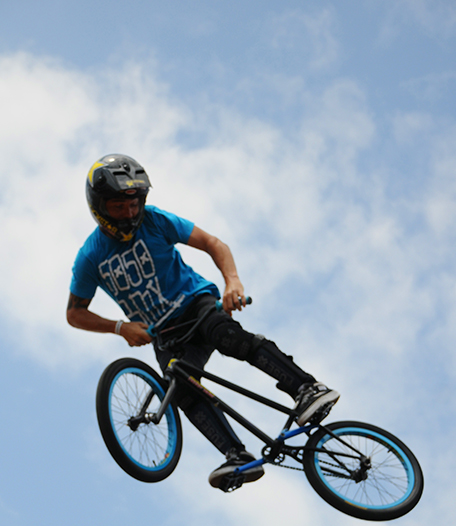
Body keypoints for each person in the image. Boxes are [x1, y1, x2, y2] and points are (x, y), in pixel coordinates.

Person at [67, 154, 339, 489]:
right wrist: (120, 328)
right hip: (166, 336)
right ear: (98, 206)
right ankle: (237, 456)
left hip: (196, 305)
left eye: (134, 204)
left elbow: (213, 244)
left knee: (228, 337)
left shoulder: (155, 221)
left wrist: (233, 281)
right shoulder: (90, 257)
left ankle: (306, 388)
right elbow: (74, 313)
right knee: (181, 390)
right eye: (118, 207)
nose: (130, 214)